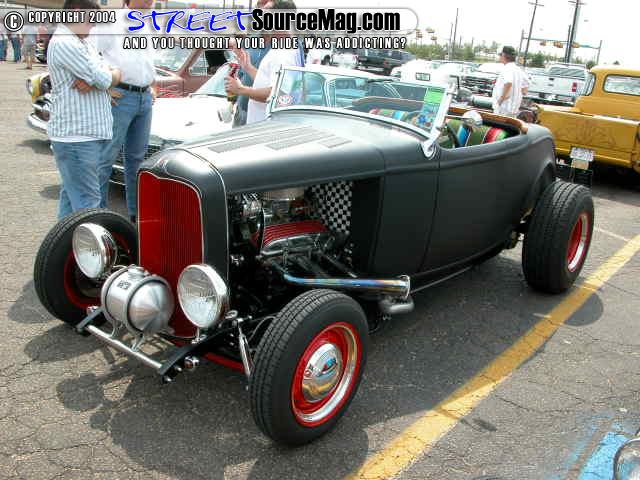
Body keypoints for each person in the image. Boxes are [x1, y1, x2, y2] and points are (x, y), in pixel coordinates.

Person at [47, 0, 121, 219]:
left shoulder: (81, 42)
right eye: (91, 19)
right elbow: (104, 77)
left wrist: (107, 76)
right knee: (88, 205)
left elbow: (109, 72)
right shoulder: (66, 43)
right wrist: (106, 77)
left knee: (72, 202)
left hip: (82, 136)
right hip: (77, 137)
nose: (94, 25)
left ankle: (65, 241)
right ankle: (85, 242)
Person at [89, 0, 156, 223]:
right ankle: (98, 217)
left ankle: (137, 217)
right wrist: (104, 87)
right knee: (105, 158)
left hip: (143, 98)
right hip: (121, 97)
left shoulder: (148, 24)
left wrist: (151, 85)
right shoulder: (113, 22)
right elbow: (90, 52)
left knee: (137, 161)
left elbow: (145, 61)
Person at [225, 0, 303, 125]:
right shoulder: (282, 47)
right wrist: (248, 67)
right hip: (257, 122)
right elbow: (269, 81)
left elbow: (277, 94)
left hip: (265, 126)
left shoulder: (285, 53)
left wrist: (241, 90)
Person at [492, 46, 527, 118]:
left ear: (503, 55)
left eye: (500, 55)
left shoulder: (507, 68)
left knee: (499, 124)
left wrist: (501, 98)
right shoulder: (518, 69)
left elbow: (508, 82)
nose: (500, 57)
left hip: (503, 108)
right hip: (513, 108)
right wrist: (519, 96)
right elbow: (526, 85)